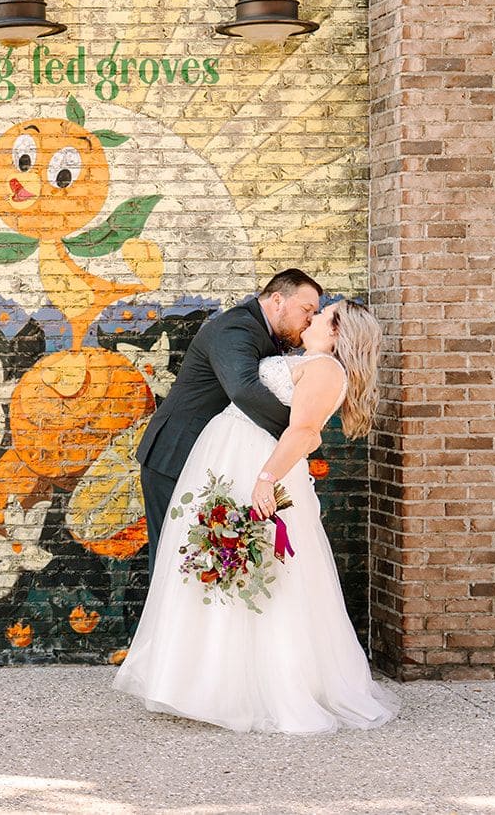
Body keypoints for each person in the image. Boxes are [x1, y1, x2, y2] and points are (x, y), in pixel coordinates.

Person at [114, 298, 399, 734]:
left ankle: (244, 688)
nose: (314, 315)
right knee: (221, 567)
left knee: (258, 574)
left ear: (339, 332)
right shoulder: (309, 361)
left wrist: (266, 479)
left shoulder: (326, 370)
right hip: (229, 459)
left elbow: (303, 431)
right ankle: (207, 682)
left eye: (322, 314)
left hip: (256, 466)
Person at [135, 269, 322, 578]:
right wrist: (298, 433)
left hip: (207, 461)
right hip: (174, 457)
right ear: (278, 301)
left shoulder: (263, 334)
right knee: (173, 562)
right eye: (307, 310)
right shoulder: (237, 327)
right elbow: (243, 390)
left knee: (200, 565)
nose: (310, 320)